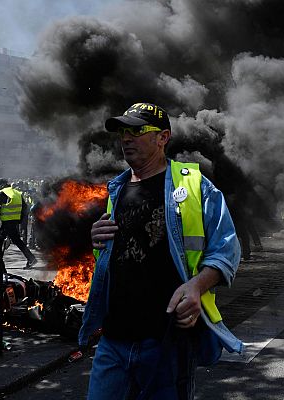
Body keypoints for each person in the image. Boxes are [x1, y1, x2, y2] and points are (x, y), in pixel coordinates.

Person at [79, 102, 243, 399]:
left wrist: (196, 286)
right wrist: (97, 241)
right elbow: (123, 256)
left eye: (138, 130)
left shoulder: (195, 186)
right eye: (123, 132)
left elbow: (227, 249)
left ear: (163, 137)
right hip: (113, 341)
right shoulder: (116, 190)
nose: (126, 138)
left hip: (166, 343)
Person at [0, 179, 37, 270]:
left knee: (4, 240)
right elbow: (25, 207)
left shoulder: (4, 193)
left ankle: (31, 258)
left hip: (7, 221)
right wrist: (20, 220)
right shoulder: (17, 193)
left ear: (2, 185)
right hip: (14, 220)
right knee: (3, 240)